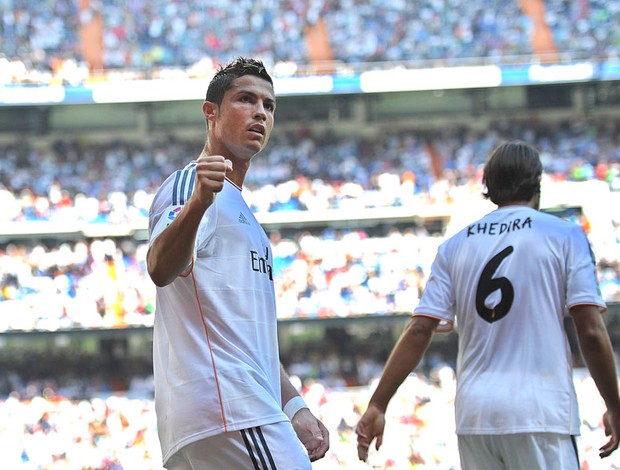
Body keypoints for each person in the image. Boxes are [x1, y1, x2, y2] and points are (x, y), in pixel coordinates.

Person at [355, 140, 620, 469]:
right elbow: (591, 331)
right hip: (541, 412)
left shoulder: (454, 246)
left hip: (475, 417)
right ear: (537, 185)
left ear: (488, 187)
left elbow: (419, 328)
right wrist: (614, 404)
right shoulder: (566, 235)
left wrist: (379, 404)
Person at [147, 57, 329, 469]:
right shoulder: (190, 185)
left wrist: (295, 405)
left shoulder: (239, 209)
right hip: (230, 409)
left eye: (268, 105)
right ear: (210, 112)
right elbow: (159, 267)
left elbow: (247, 338)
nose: (260, 113)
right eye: (246, 100)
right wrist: (197, 203)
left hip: (228, 414)